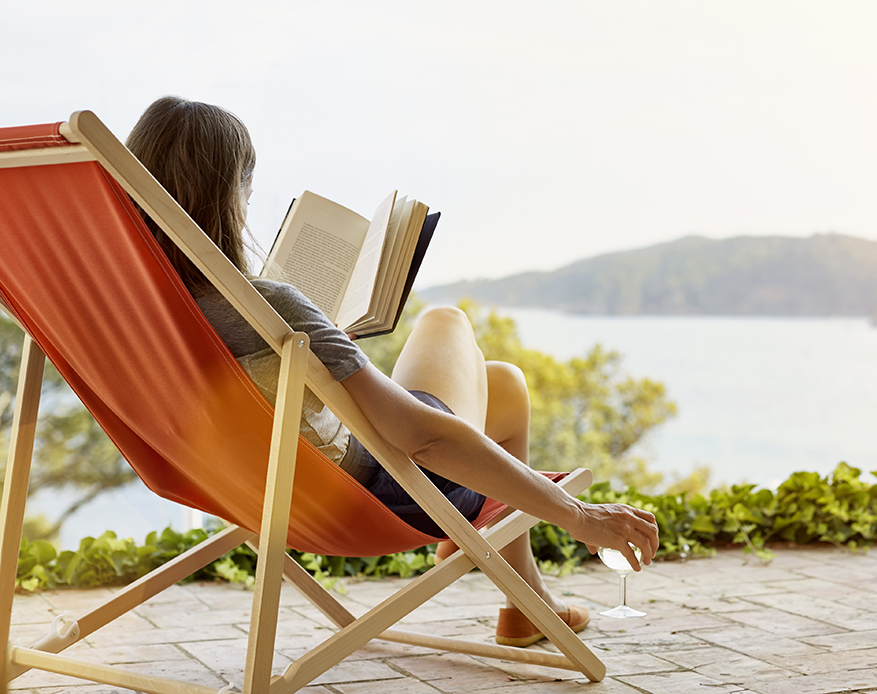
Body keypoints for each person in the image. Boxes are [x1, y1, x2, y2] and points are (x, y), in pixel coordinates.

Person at [126, 96, 659, 647]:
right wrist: (578, 516)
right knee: (448, 321)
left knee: (502, 384)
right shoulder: (266, 306)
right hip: (384, 489)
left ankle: (528, 600)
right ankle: (497, 555)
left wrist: (325, 359)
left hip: (243, 483)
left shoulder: (123, 313)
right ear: (227, 198)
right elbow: (421, 439)